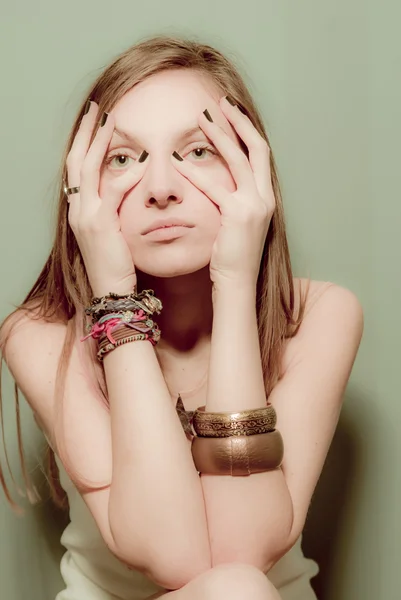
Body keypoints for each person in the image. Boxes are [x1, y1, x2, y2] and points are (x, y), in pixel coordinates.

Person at [0, 34, 364, 600]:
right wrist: (115, 295)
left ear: (252, 170)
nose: (162, 189)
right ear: (83, 193)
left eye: (197, 151)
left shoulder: (320, 315)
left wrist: (236, 286)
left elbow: (242, 554)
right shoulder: (40, 335)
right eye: (123, 158)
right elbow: (174, 557)